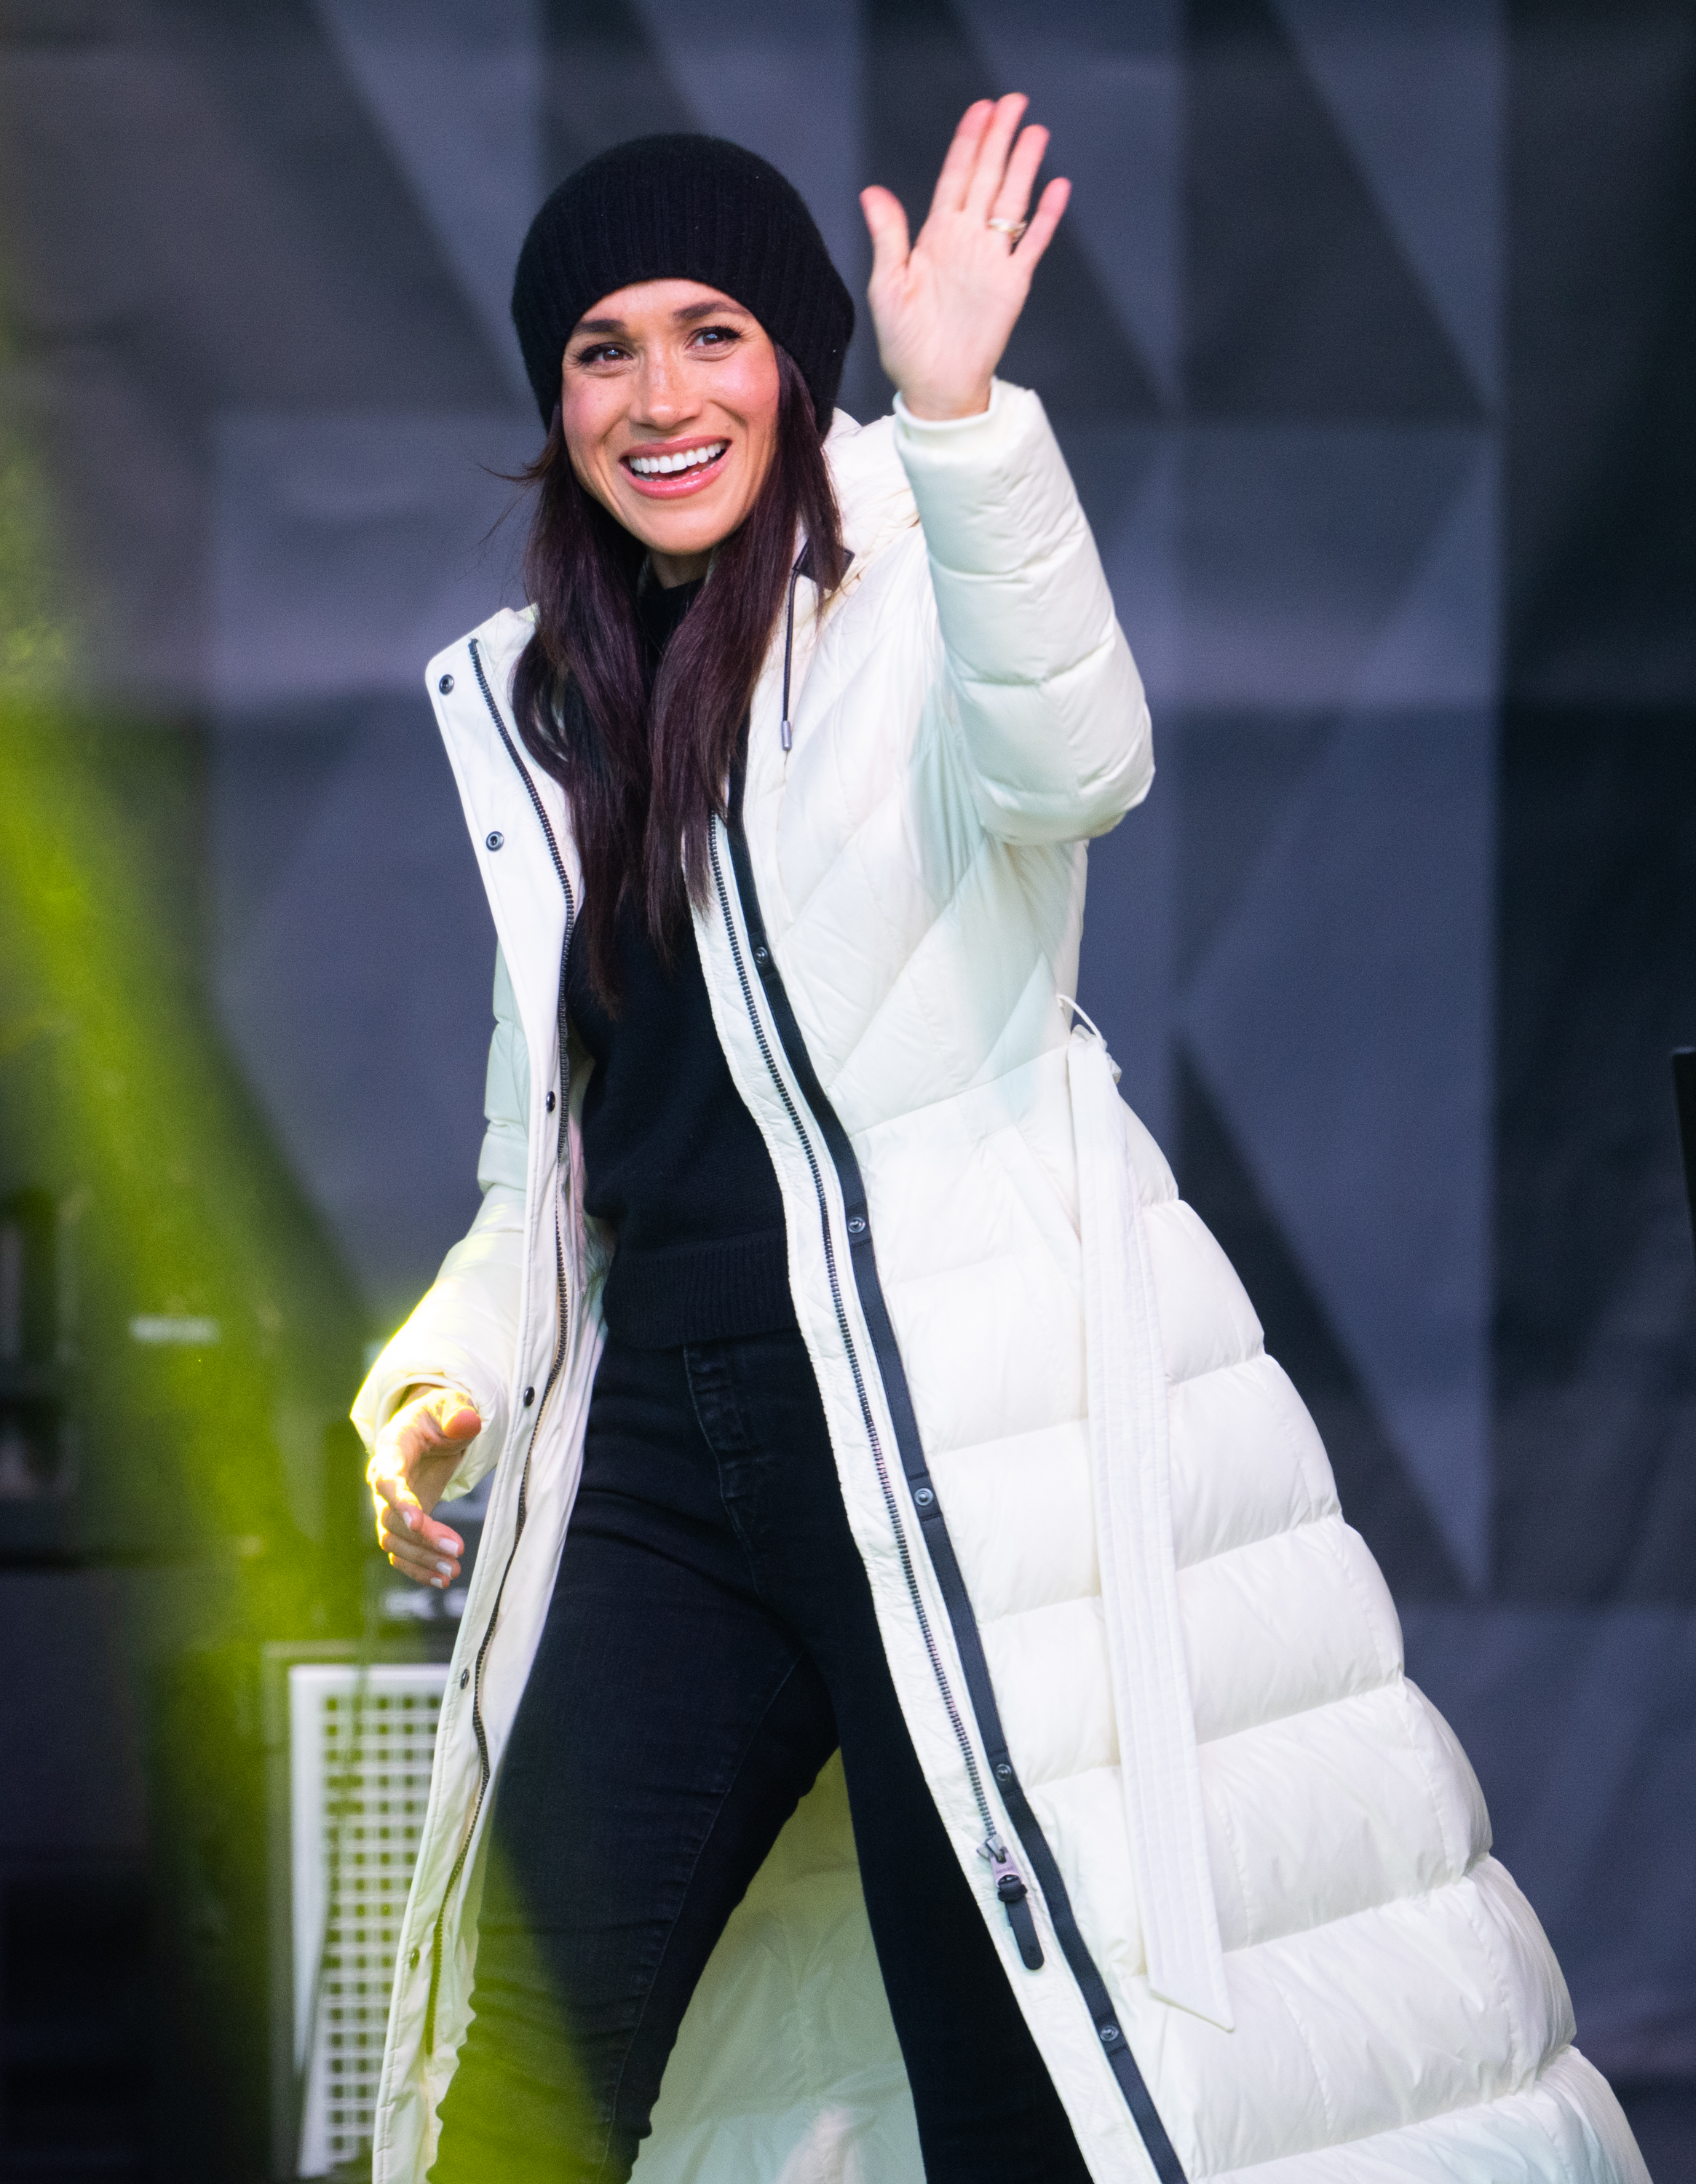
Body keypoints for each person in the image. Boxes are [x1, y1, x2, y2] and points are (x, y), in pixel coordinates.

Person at [352, 103, 1647, 2184]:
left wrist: (961, 418)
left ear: (795, 355)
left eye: (713, 332)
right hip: (670, 1464)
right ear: (553, 398)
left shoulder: (919, 577)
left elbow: (1080, 757)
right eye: (602, 347)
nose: (661, 395)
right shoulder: (542, 709)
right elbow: (550, 1169)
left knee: (1022, 2085)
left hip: (956, 1438)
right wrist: (444, 1370)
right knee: (517, 2071)